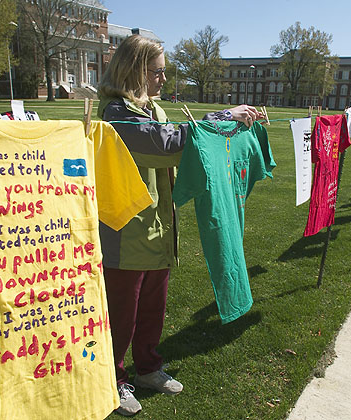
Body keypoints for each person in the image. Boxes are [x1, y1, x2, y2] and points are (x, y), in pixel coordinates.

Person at [97, 34, 263, 417]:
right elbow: (165, 145)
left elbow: (177, 143)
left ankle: (148, 367)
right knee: (122, 312)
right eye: (157, 72)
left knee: (153, 305)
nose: (163, 80)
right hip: (124, 230)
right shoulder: (115, 114)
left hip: (158, 226)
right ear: (135, 70)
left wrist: (225, 129)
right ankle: (113, 379)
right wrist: (221, 118)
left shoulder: (154, 109)